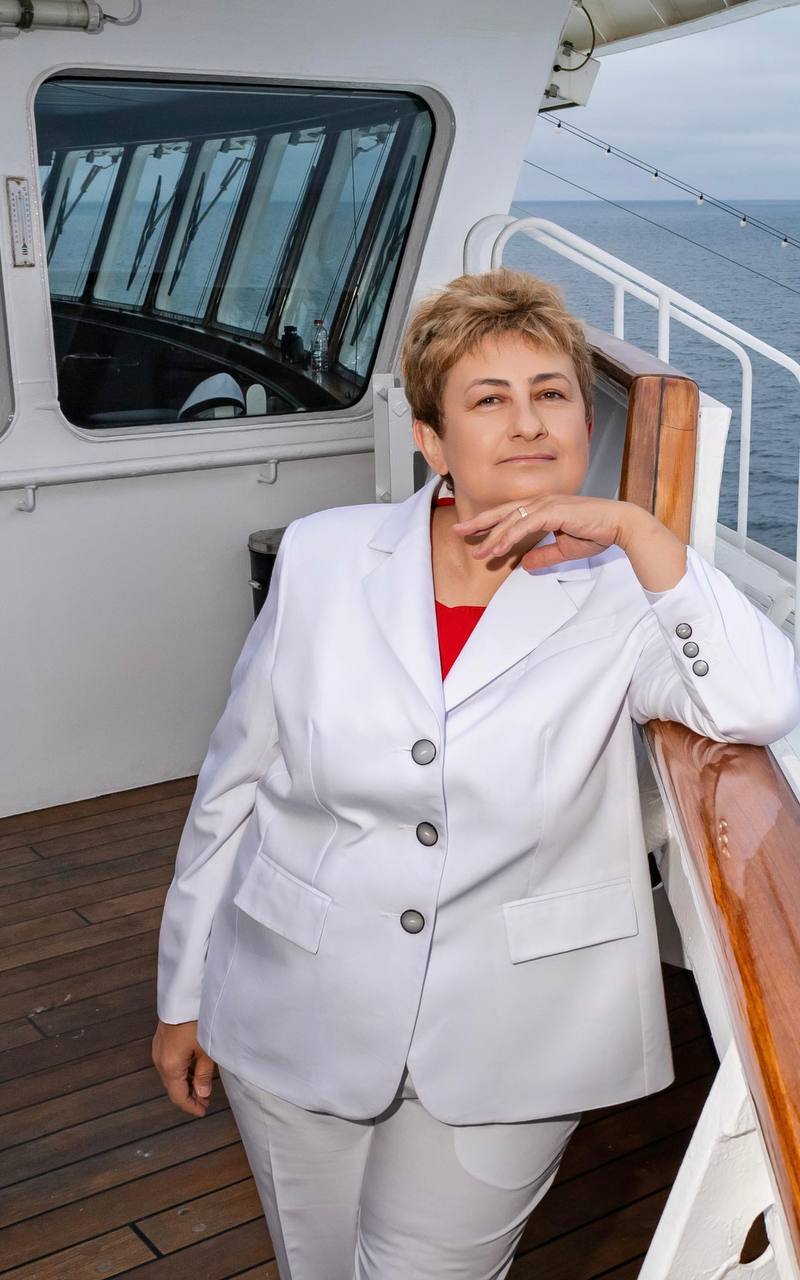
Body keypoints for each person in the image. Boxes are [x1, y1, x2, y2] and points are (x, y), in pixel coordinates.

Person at [152, 267, 800, 1279]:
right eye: (488, 399)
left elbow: (757, 703)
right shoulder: (324, 558)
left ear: (585, 421)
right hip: (292, 1001)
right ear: (431, 438)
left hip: (514, 1035)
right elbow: (232, 786)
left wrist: (640, 532)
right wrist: (181, 992)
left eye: (551, 393)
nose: (527, 421)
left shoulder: (627, 592)